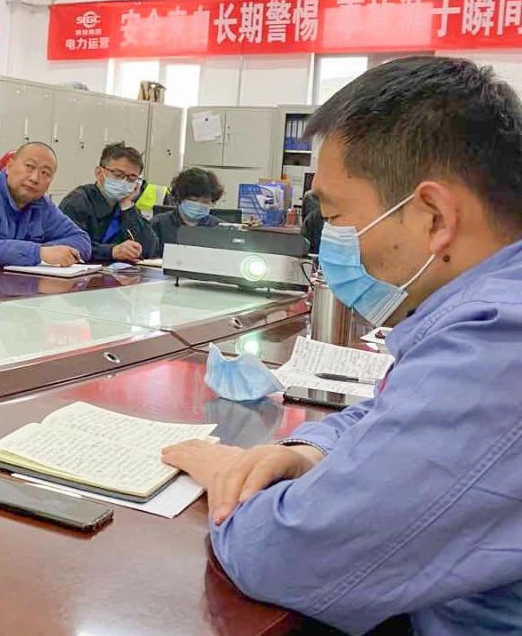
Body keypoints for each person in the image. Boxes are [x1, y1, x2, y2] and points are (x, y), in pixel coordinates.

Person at [161, 57, 522, 634]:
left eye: (335, 215)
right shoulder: (489, 311)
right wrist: (310, 451)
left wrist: (229, 478)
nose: (332, 239)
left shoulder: (498, 344)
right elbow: (394, 412)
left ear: (433, 216)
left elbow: (286, 555)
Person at [0, 142, 92, 267]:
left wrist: (47, 251)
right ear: (9, 165)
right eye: (29, 166)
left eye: (45, 173)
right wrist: (39, 253)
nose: (35, 178)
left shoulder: (42, 205)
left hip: (22, 285)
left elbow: (82, 241)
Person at [59, 143, 157, 263]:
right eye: (118, 175)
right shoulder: (77, 202)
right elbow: (70, 245)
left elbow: (149, 249)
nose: (124, 182)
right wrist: (112, 251)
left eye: (131, 179)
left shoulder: (125, 206)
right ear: (99, 172)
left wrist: (127, 206)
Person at [148, 167, 224, 258]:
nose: (199, 205)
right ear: (179, 198)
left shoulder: (220, 229)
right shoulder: (158, 224)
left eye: (205, 202)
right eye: (193, 200)